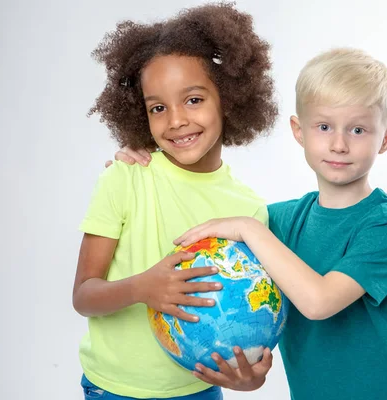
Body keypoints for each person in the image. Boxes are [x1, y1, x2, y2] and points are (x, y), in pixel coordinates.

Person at [115, 48, 387, 399]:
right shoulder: (280, 220)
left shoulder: (385, 227)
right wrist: (145, 166)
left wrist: (248, 229)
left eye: (358, 129)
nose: (339, 144)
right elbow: (200, 210)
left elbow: (318, 302)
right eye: (324, 126)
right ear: (299, 131)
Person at [74, 3, 278, 399]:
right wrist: (142, 288)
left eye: (194, 100)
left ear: (230, 98)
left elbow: (254, 323)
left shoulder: (250, 212)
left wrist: (251, 379)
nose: (176, 120)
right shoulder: (126, 177)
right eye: (158, 108)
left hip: (199, 390)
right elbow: (83, 295)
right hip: (114, 390)